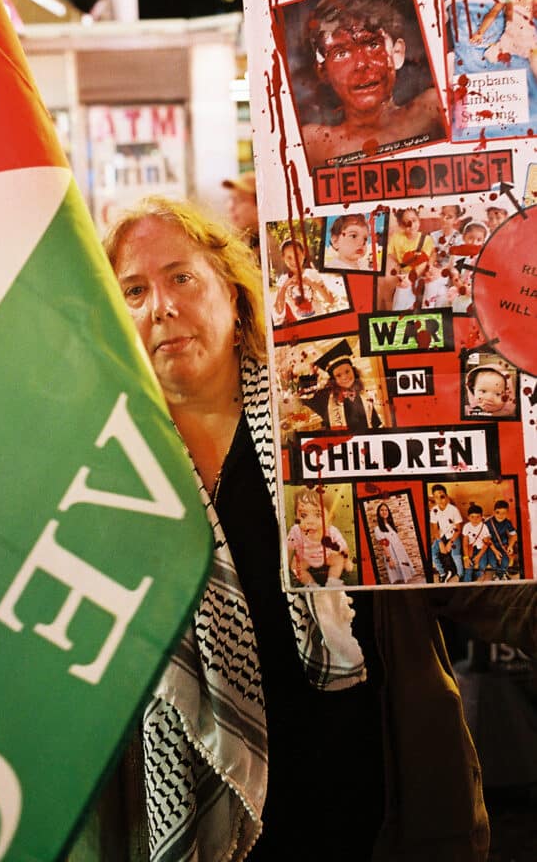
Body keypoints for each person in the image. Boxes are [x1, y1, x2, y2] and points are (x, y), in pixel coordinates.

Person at [90, 194, 537, 862]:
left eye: (181, 277)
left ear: (235, 296)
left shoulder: (333, 419)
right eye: (133, 291)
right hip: (214, 829)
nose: (162, 306)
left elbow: (478, 576)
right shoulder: (107, 475)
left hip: (377, 812)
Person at [300, 0, 446, 169]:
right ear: (323, 72)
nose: (361, 64)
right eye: (341, 53)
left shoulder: (432, 111)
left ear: (398, 53)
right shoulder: (314, 146)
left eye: (373, 45)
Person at [469, 0, 537, 78]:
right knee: (491, 57)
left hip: (529, 41)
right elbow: (493, 13)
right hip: (508, 41)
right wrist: (480, 32)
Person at [298, 337, 383, 431]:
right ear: (333, 379)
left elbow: (375, 424)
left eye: (347, 371)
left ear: (354, 371)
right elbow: (304, 397)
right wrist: (312, 377)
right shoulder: (326, 397)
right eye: (338, 375)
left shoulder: (364, 395)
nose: (344, 377)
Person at [287, 487, 354, 586]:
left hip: (326, 556)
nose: (310, 521)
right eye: (303, 515)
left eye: (318, 515)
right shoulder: (296, 531)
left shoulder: (331, 532)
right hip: (306, 558)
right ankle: (311, 585)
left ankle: (332, 582)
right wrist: (285, 563)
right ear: (296, 516)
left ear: (330, 518)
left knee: (338, 560)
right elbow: (289, 548)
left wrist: (347, 560)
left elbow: (344, 548)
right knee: (295, 566)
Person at [271, 236, 340, 325]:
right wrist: (285, 286)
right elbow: (279, 311)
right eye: (289, 257)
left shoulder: (312, 274)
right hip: (303, 327)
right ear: (283, 258)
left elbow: (330, 300)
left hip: (321, 322)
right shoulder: (283, 280)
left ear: (303, 254)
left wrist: (311, 283)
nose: (294, 261)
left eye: (297, 255)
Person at [387, 207, 435, 311]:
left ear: (419, 220)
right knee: (400, 295)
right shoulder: (396, 238)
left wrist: (410, 278)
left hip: (420, 275)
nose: (412, 225)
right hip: (404, 274)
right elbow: (390, 254)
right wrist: (398, 266)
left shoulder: (426, 239)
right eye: (406, 223)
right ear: (401, 225)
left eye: (414, 221)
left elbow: (424, 261)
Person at [373, 502, 416, 585]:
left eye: (386, 510)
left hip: (400, 552)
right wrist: (389, 559)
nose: (384, 512)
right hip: (391, 554)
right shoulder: (378, 529)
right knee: (397, 578)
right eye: (382, 510)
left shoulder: (390, 525)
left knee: (404, 575)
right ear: (378, 513)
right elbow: (383, 545)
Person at [430, 483, 464, 582]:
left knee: (455, 555)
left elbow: (458, 528)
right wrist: (440, 543)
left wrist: (450, 542)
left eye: (442, 497)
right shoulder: (434, 510)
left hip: (453, 535)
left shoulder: (453, 510)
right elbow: (435, 528)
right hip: (441, 535)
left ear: (447, 496)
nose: (440, 500)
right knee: (433, 553)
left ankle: (460, 574)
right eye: (436, 497)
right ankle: (442, 573)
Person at [484, 500, 518, 581]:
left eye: (504, 513)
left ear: (507, 513)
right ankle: (502, 574)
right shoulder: (488, 523)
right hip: (491, 547)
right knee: (493, 563)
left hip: (503, 546)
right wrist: (495, 551)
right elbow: (487, 540)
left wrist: (510, 546)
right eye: (498, 512)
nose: (500, 515)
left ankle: (499, 575)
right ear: (494, 512)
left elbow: (514, 535)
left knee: (505, 561)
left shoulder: (507, 522)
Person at [461, 504, 493, 583]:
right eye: (472, 517)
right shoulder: (466, 526)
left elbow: (486, 544)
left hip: (481, 550)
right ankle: (467, 581)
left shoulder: (484, 527)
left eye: (478, 517)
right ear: (468, 517)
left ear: (482, 517)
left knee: (482, 565)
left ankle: (478, 574)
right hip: (470, 549)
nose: (475, 519)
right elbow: (465, 543)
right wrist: (466, 557)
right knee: (468, 566)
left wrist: (478, 556)